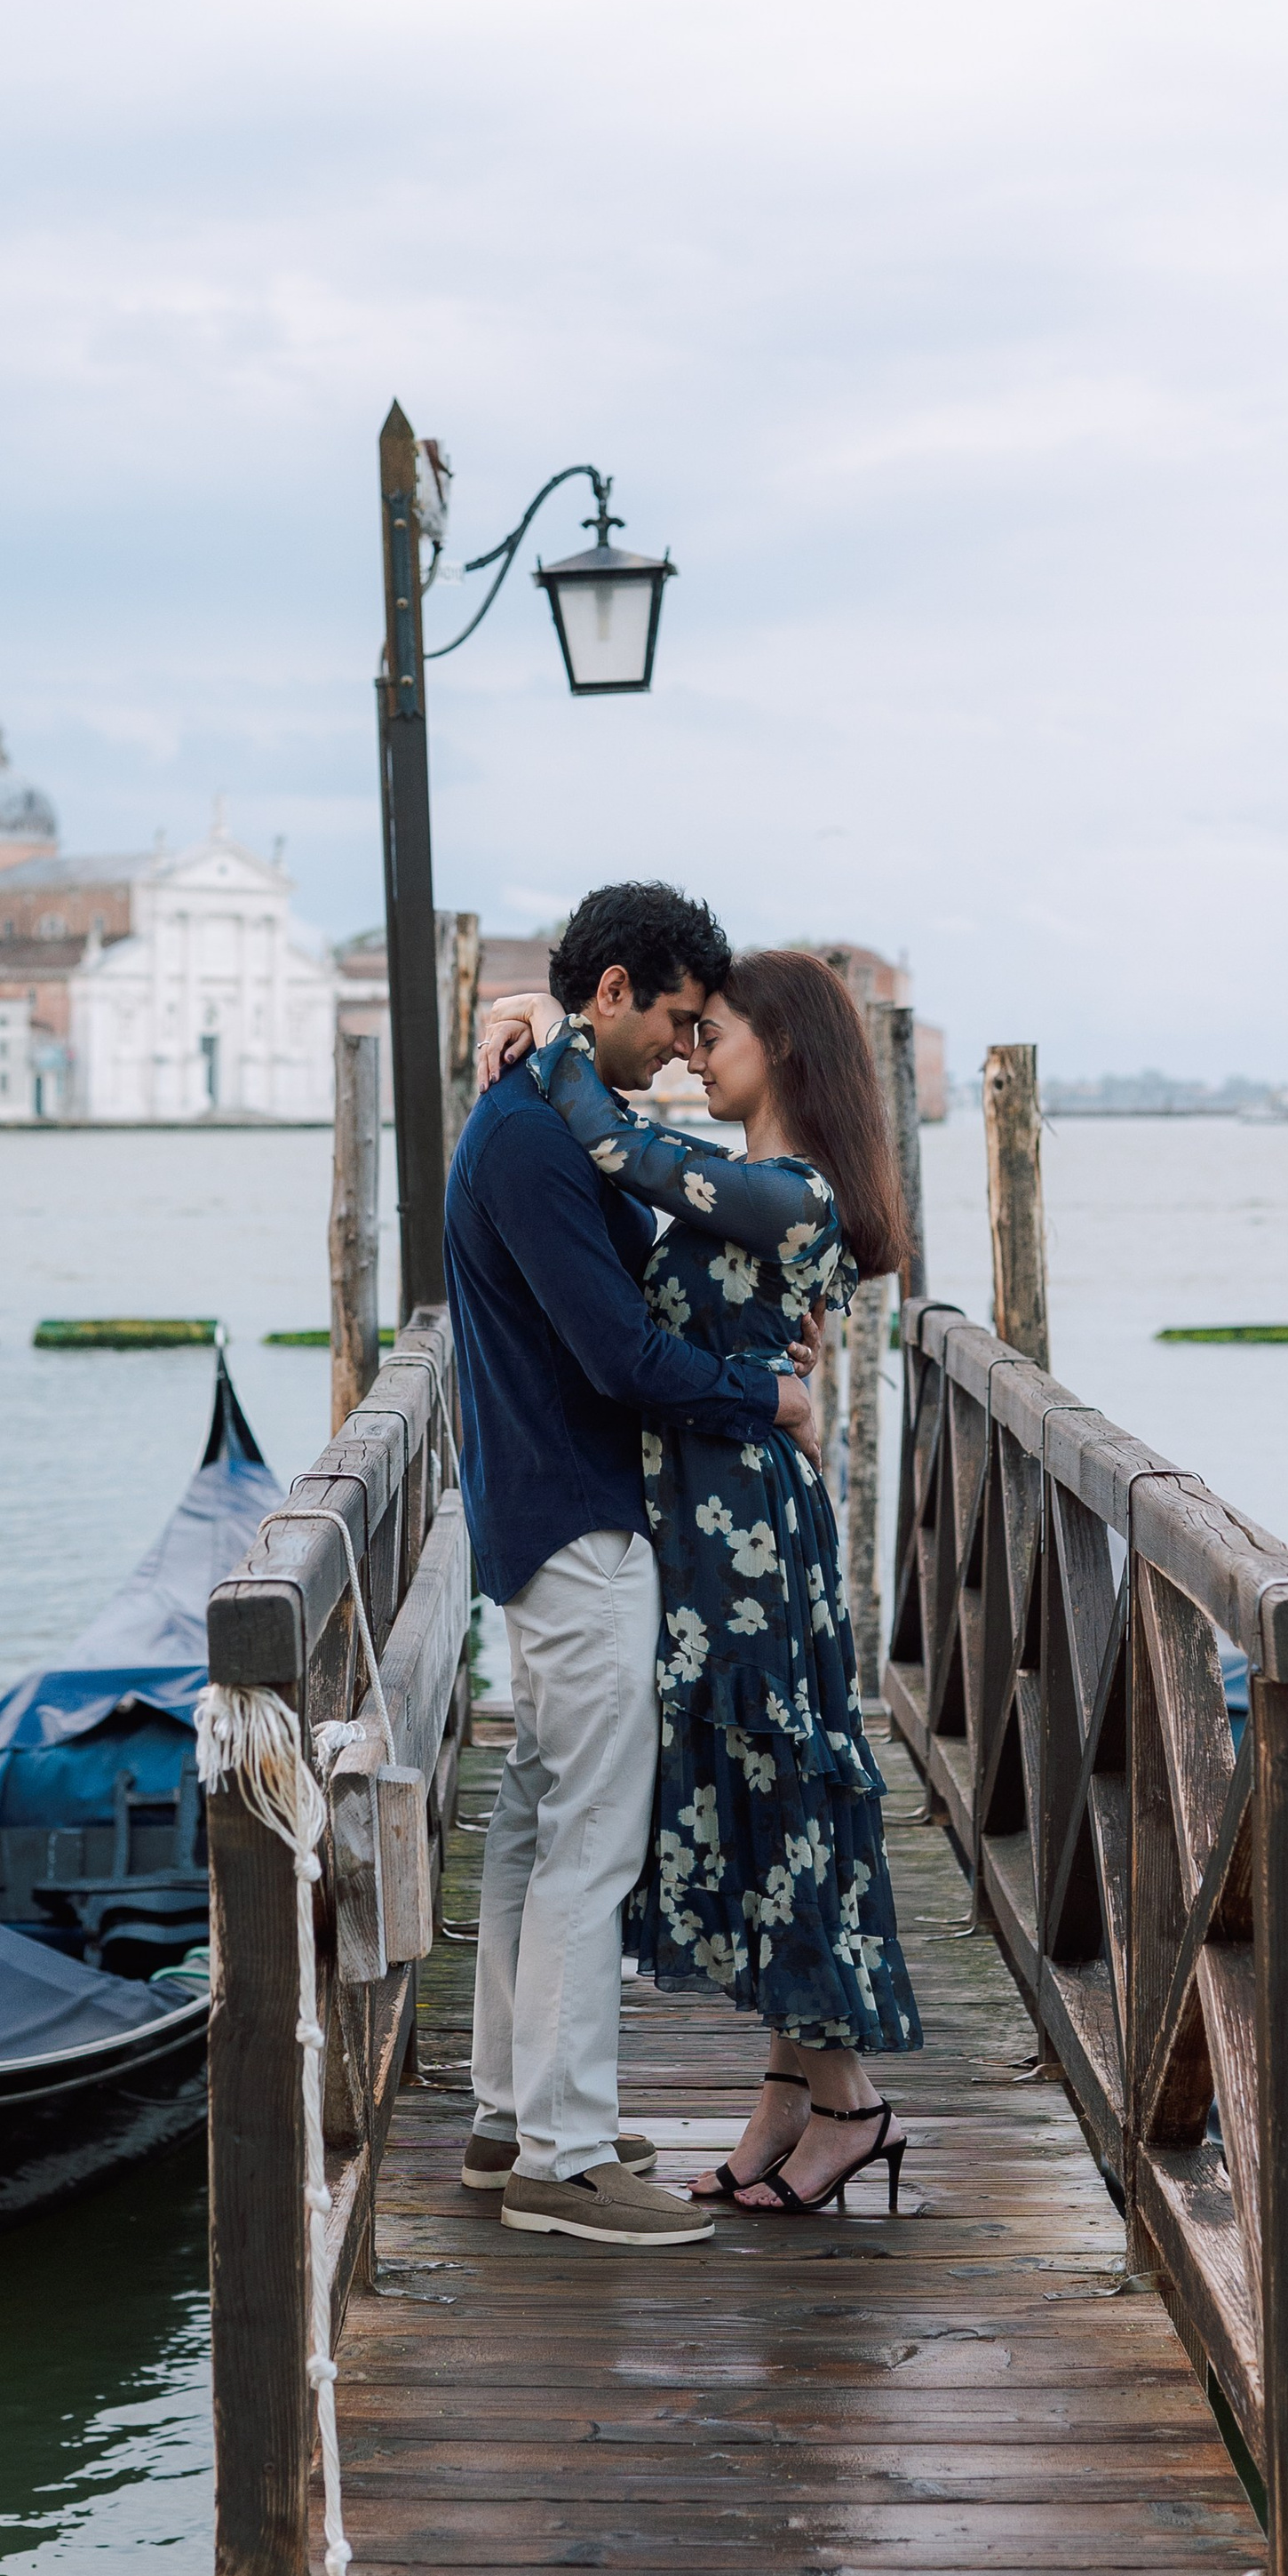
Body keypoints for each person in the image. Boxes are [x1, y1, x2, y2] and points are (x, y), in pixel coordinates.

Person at [479, 946, 920, 2219]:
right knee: (755, 1799)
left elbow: (621, 1156)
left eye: (711, 1031)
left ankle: (848, 2105)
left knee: (777, 1806)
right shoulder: (755, 1191)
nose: (690, 1052)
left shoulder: (786, 1193)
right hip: (711, 1525)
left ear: (779, 1046)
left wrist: (548, 1033)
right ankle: (787, 2103)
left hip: (749, 1543)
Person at [443, 882, 823, 2248]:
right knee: (591, 1842)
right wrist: (764, 1397)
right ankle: (567, 2154)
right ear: (612, 991)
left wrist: (533, 1033)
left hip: (550, 1507)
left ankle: (511, 2116)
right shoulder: (535, 1146)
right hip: (579, 1517)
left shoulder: (540, 1118)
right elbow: (620, 1359)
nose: (677, 1047)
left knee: (541, 1819)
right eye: (668, 1017)